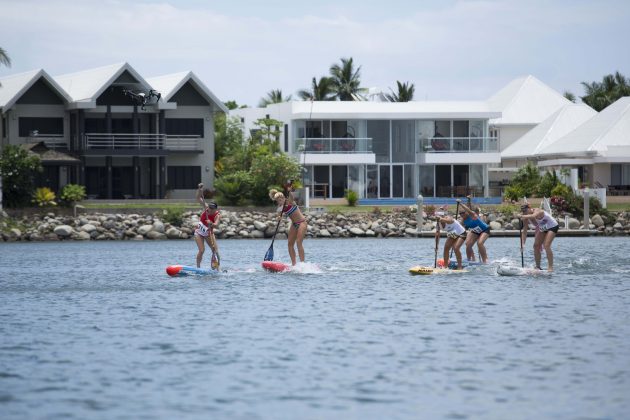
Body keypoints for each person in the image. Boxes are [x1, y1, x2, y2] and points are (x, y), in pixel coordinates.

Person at [270, 181, 307, 265]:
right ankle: (294, 264)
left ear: (283, 198)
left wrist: (289, 191)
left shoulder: (290, 202)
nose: (280, 201)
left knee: (298, 242)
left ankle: (302, 264)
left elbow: (291, 197)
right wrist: (279, 218)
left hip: (302, 223)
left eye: (281, 199)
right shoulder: (280, 208)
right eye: (278, 201)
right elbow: (279, 216)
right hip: (294, 224)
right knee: (290, 244)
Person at [518, 203, 559, 272]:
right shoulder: (526, 217)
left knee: (546, 245)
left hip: (552, 226)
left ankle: (550, 268)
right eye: (523, 211)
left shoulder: (538, 211)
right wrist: (522, 244)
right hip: (543, 228)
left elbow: (533, 216)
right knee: (536, 246)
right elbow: (524, 232)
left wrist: (521, 216)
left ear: (529, 208)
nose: (524, 212)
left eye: (525, 210)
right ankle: (538, 267)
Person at [194, 183, 221, 269]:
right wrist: (199, 190)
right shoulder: (206, 208)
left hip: (209, 233)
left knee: (215, 251)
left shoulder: (217, 215)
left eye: (212, 209)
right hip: (199, 232)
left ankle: (216, 267)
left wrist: (211, 223)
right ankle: (198, 268)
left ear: (215, 209)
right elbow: (198, 198)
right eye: (209, 207)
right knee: (202, 250)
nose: (209, 209)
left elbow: (216, 225)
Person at [456, 199, 490, 263]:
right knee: (468, 244)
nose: (462, 214)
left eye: (463, 213)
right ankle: (470, 260)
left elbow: (468, 209)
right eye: (460, 213)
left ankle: (485, 260)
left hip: (485, 230)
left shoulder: (472, 215)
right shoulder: (463, 221)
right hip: (476, 231)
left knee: (479, 243)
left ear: (467, 212)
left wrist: (460, 203)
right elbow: (460, 230)